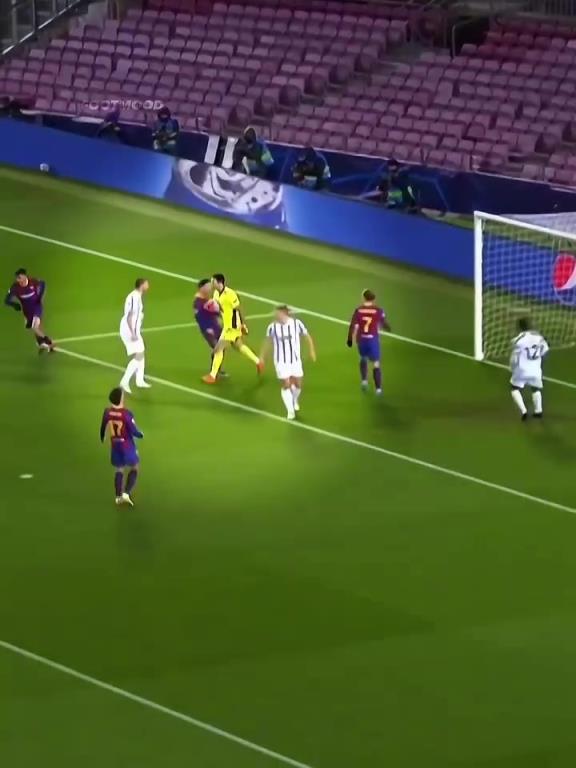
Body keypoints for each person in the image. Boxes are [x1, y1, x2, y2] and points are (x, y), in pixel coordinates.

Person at [202, 273, 264, 384]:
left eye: (213, 281)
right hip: (227, 325)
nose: (211, 284)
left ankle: (212, 376)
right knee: (238, 346)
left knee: (218, 349)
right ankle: (258, 362)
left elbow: (238, 309)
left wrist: (243, 325)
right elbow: (219, 308)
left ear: (219, 282)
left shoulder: (230, 294)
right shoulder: (216, 294)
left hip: (232, 326)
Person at [261, 306, 316, 420]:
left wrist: (311, 351)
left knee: (298, 384)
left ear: (285, 314)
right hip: (280, 361)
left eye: (278, 313)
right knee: (286, 385)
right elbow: (267, 342)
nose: (276, 315)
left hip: (295, 360)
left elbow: (307, 337)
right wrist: (262, 356)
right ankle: (290, 411)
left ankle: (294, 400)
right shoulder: (272, 327)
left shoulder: (296, 324)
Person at [100, 387, 143, 506]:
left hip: (115, 445)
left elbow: (103, 426)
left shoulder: (107, 412)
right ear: (120, 399)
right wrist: (141, 435)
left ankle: (118, 496)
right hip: (127, 446)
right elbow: (134, 431)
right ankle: (126, 493)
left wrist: (102, 436)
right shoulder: (126, 414)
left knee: (119, 469)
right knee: (134, 467)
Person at [347, 290, 391, 394]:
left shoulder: (358, 310)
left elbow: (352, 325)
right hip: (372, 340)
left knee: (363, 358)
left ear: (364, 298)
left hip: (361, 339)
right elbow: (384, 323)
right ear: (374, 299)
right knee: (376, 363)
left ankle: (364, 381)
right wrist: (388, 328)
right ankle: (378, 389)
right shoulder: (378, 310)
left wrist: (350, 339)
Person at [5, 268, 54, 352]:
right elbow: (7, 300)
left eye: (19, 278)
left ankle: (48, 341)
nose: (17, 280)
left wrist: (40, 296)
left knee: (35, 326)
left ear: (24, 276)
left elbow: (43, 283)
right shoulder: (15, 287)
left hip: (36, 306)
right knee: (35, 327)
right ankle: (40, 343)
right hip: (27, 310)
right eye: (17, 278)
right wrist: (14, 305)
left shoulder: (33, 281)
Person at [510, 318, 549, 421]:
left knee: (514, 388)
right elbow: (545, 351)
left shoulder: (518, 340)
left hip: (522, 369)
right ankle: (538, 411)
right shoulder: (540, 338)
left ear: (519, 327)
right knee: (535, 389)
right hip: (536, 369)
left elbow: (514, 357)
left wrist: (512, 367)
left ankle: (523, 411)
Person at [119, 278, 151, 393]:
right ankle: (124, 382)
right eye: (146, 284)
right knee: (139, 356)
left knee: (141, 352)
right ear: (141, 285)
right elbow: (129, 316)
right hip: (129, 330)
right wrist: (132, 333)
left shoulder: (138, 296)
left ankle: (139, 380)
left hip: (134, 330)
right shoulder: (134, 297)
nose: (148, 286)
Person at [193, 278, 227, 377]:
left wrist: (220, 314)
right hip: (208, 328)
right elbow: (199, 317)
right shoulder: (197, 302)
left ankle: (217, 369)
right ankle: (214, 371)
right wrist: (207, 329)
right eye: (207, 286)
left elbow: (215, 311)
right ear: (201, 288)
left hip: (215, 326)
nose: (210, 288)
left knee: (222, 347)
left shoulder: (208, 299)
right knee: (217, 348)